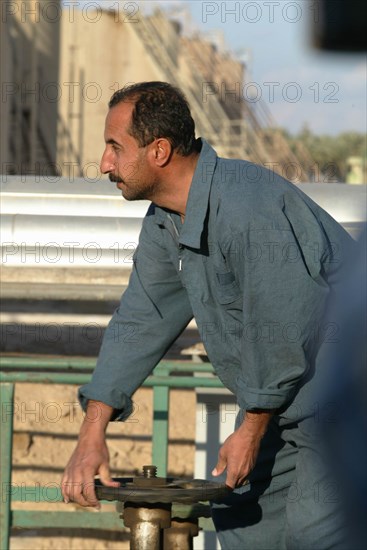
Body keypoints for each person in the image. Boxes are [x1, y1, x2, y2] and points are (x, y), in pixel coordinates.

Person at [62, 81, 353, 548]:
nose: (104, 164)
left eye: (115, 147)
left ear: (159, 151)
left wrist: (251, 427)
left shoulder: (247, 207)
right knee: (241, 520)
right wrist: (92, 431)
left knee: (316, 534)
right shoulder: (166, 218)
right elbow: (142, 317)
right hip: (282, 404)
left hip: (346, 400)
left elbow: (284, 324)